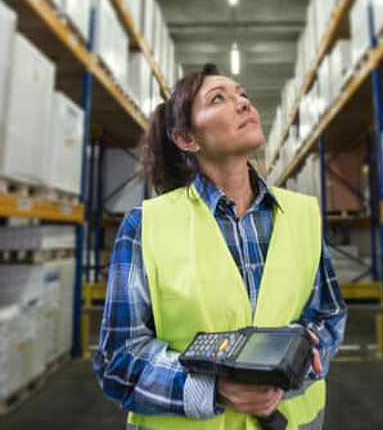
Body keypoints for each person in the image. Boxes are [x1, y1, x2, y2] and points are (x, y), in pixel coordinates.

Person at [93, 63, 346, 429]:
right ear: (187, 139)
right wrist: (212, 390)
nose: (243, 103)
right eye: (218, 99)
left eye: (242, 94)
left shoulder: (303, 213)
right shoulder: (145, 224)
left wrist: (299, 363)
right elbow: (118, 359)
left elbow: (329, 315)